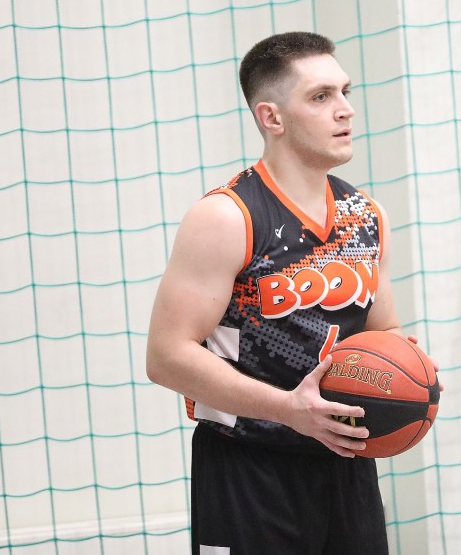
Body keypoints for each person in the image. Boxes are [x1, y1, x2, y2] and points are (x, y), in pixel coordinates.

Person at [146, 31, 429, 555]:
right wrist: (288, 408)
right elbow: (166, 357)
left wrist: (409, 376)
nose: (345, 109)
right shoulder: (227, 217)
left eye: (344, 92)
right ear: (271, 117)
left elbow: (383, 331)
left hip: (346, 463)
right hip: (249, 470)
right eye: (320, 96)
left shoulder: (366, 215)